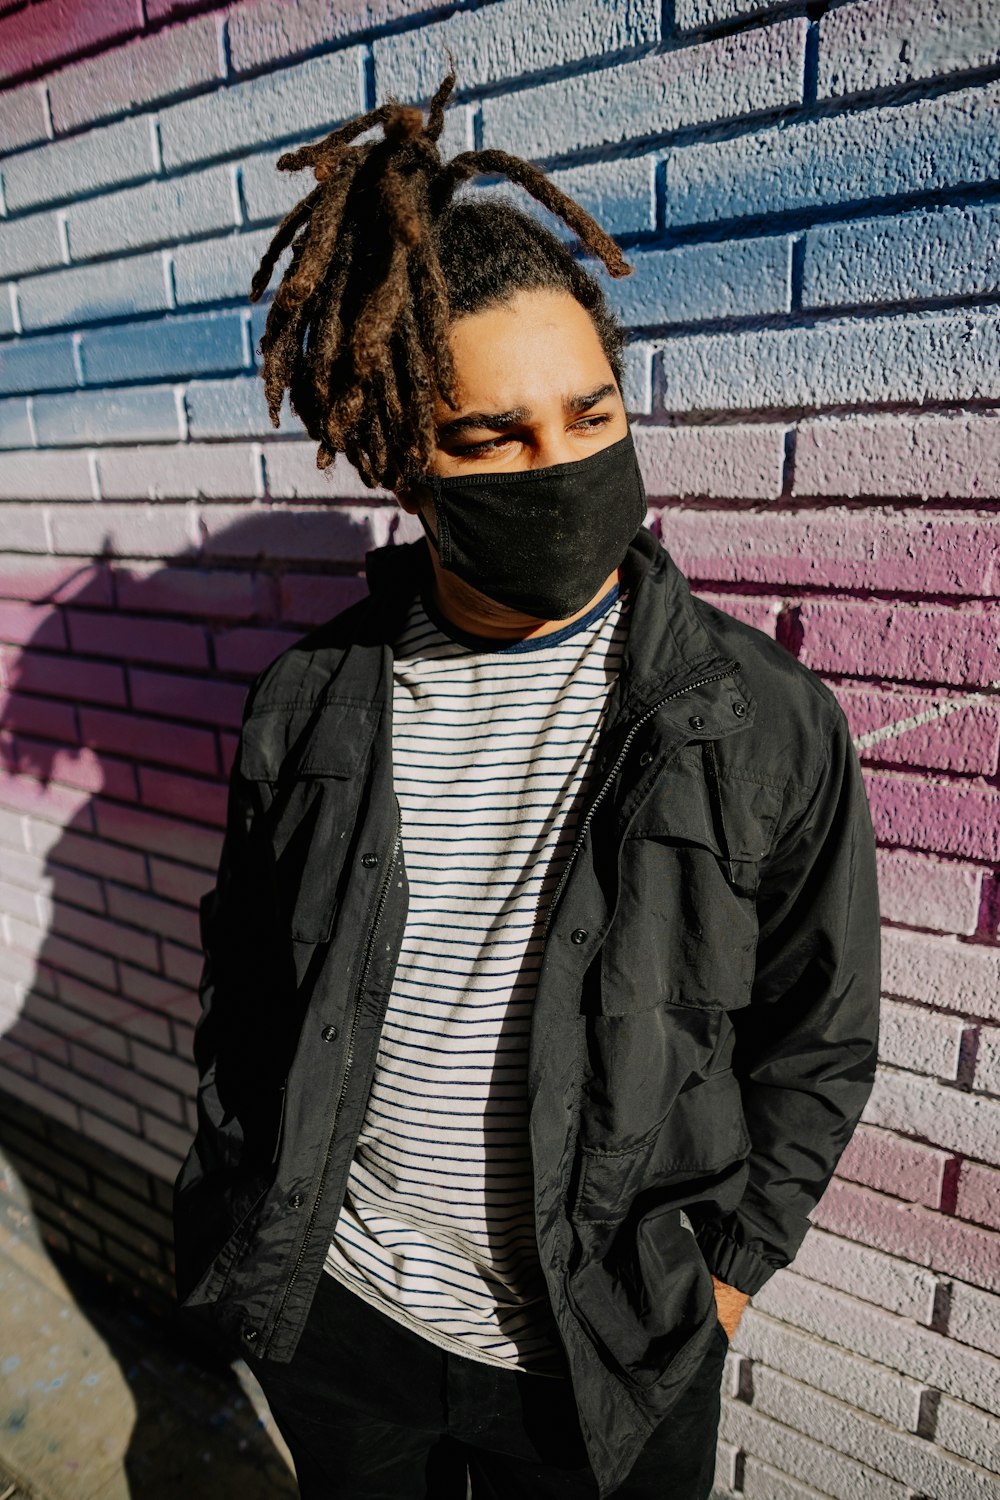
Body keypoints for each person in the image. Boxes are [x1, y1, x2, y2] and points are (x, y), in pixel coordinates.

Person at [172, 65, 882, 1500]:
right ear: (398, 459)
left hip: (611, 1353)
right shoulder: (308, 704)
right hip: (345, 1321)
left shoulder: (755, 720)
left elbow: (820, 1033)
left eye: (588, 415)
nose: (554, 467)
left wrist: (726, 1279)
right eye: (488, 437)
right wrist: (234, 1208)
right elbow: (249, 988)